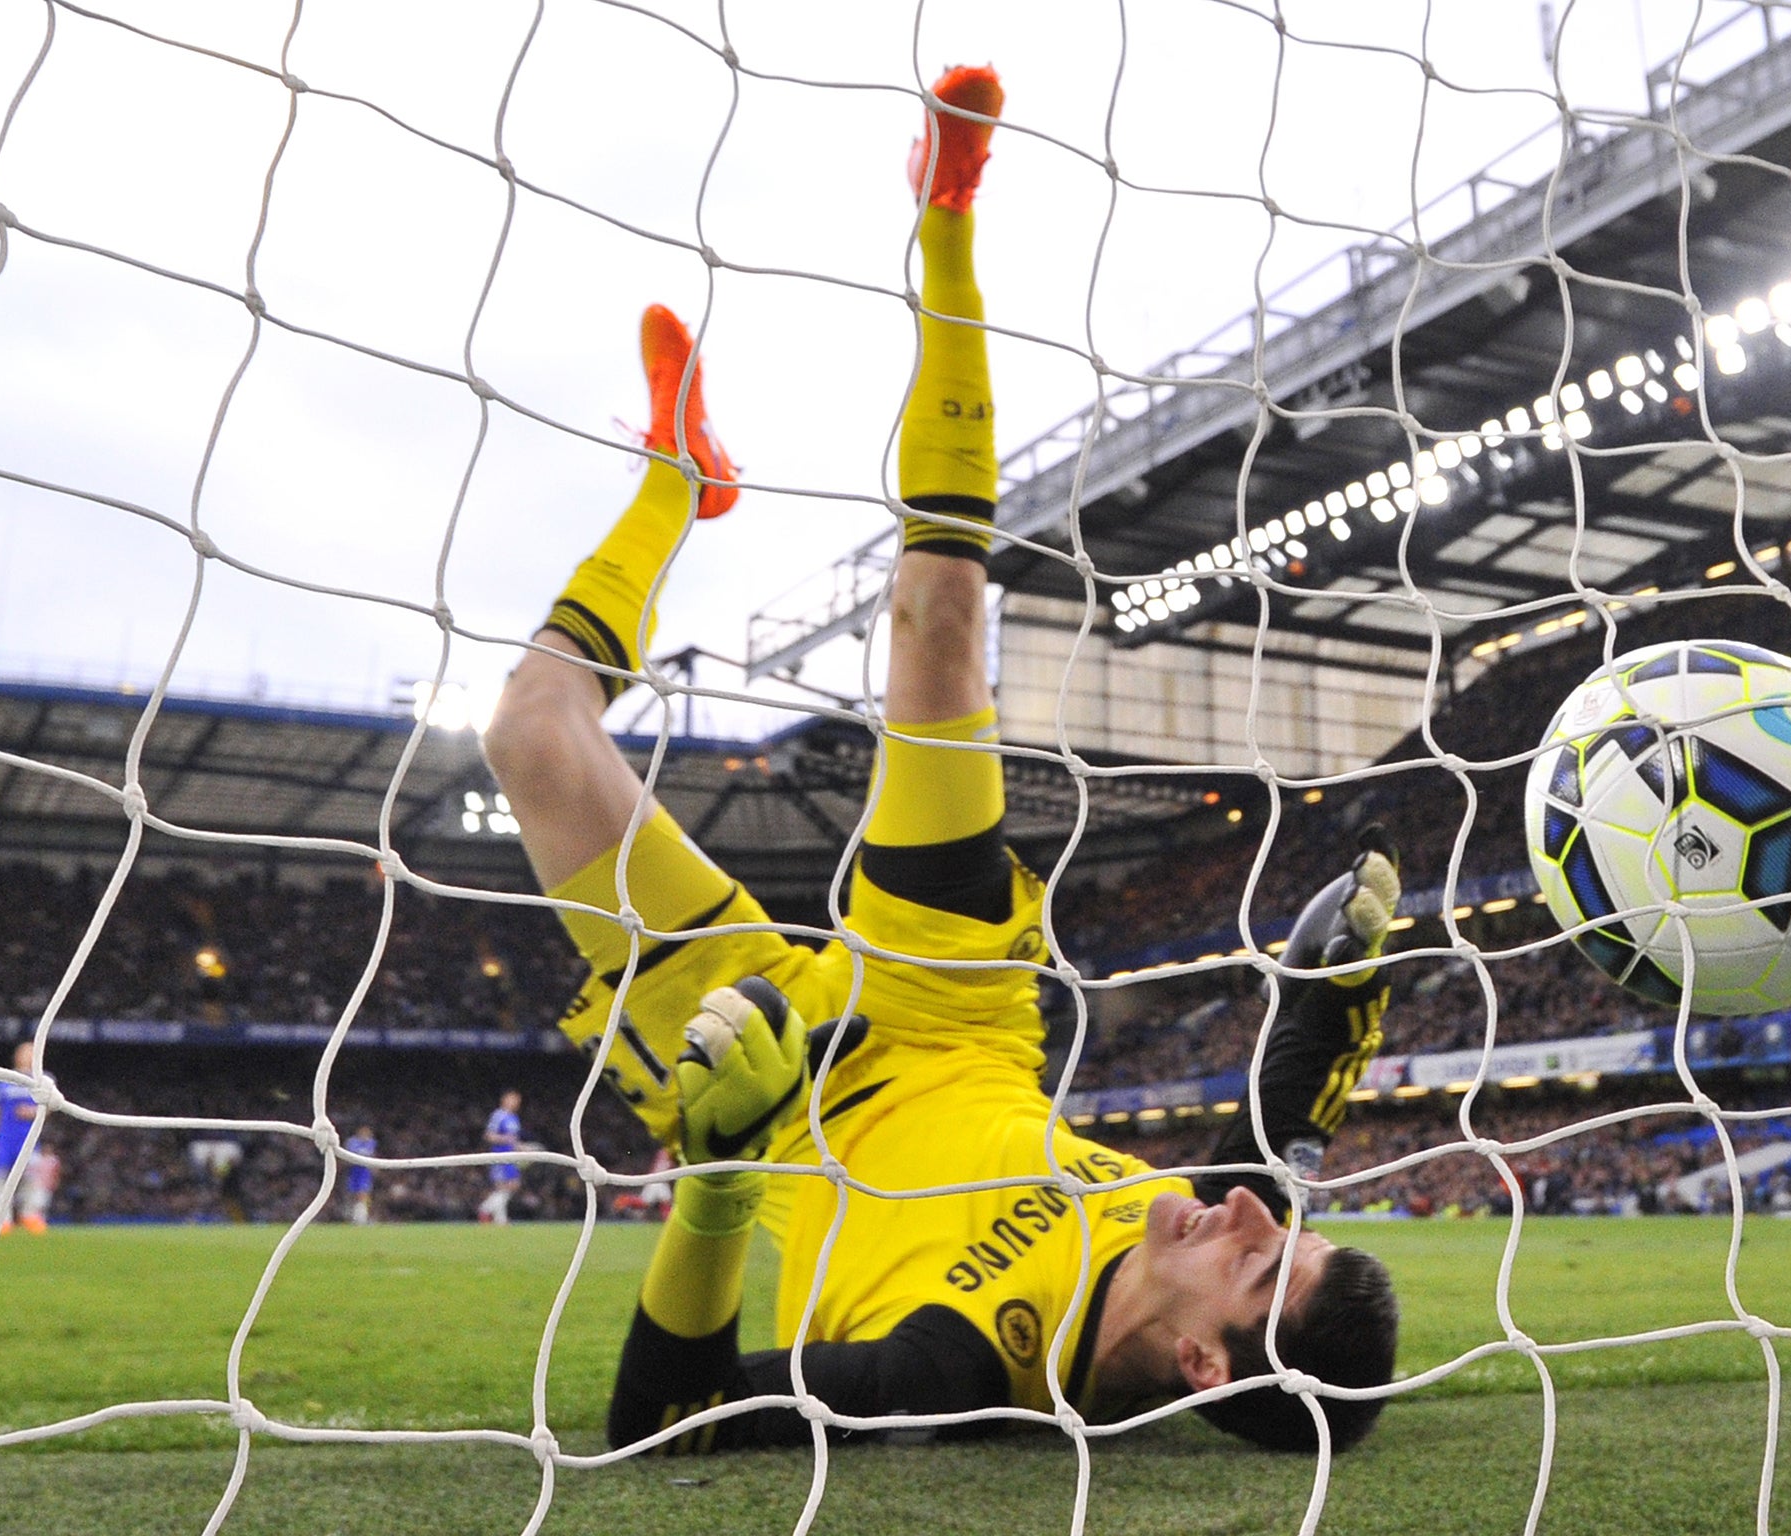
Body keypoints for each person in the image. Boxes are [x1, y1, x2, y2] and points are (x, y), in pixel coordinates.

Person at [482, 65, 1401, 1456]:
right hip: (953, 1005)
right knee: (940, 621)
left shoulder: (955, 1368)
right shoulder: (1204, 1220)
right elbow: (1285, 1118)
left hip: (773, 1093)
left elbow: (666, 1427)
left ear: (1206, 1364)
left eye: (1266, 1263)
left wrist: (719, 1176)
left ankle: (676, 487)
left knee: (533, 737)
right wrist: (1340, 980)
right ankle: (948, 216)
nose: (1252, 1216)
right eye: (1286, 1229)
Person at [0, 1040, 42, 1236]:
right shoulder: (4, 1080)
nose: (27, 1056)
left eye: (31, 1052)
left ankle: (30, 1215)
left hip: (29, 1139)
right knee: (0, 1178)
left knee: (31, 1178)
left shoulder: (43, 1079)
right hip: (4, 1139)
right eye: (24, 1052)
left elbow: (53, 1105)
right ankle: (3, 1220)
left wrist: (33, 1111)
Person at [480, 1090, 523, 1224]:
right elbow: (489, 1135)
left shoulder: (514, 1118)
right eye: (512, 1099)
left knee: (506, 1187)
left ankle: (500, 1220)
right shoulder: (498, 1116)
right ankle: (485, 1209)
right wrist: (506, 1139)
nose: (515, 1102)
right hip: (499, 1155)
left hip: (511, 1156)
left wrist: (520, 1147)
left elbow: (514, 1140)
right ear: (504, 1100)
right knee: (508, 1186)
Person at [344, 1123, 377, 1225]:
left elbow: (372, 1155)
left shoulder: (371, 1142)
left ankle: (362, 1218)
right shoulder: (352, 1142)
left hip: (365, 1172)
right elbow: (350, 1155)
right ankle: (351, 1217)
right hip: (353, 1171)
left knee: (363, 1194)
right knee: (352, 1195)